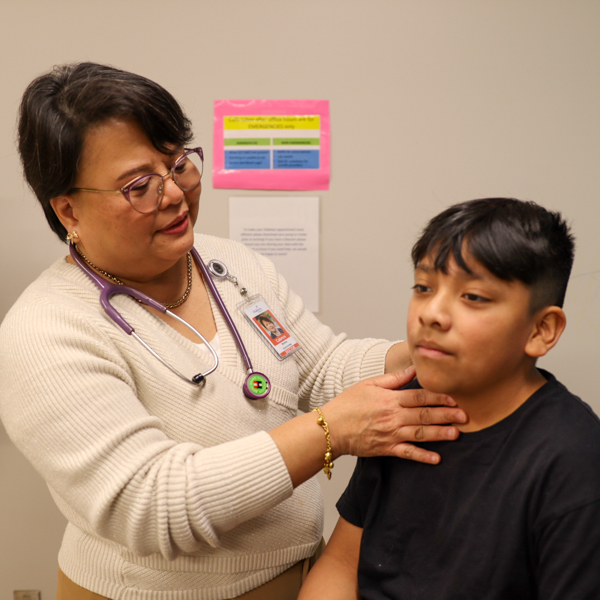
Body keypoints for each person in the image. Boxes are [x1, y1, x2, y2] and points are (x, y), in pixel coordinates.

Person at [0, 63, 468, 600]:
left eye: (178, 164)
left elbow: (318, 366)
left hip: (303, 577)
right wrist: (329, 432)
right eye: (139, 186)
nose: (174, 194)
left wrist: (428, 351)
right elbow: (156, 505)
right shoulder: (45, 332)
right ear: (68, 210)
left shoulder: (229, 264)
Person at [299, 198, 600, 600]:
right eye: (423, 288)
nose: (432, 314)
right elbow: (339, 567)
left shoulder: (573, 458)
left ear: (541, 329)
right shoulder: (401, 411)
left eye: (473, 297)